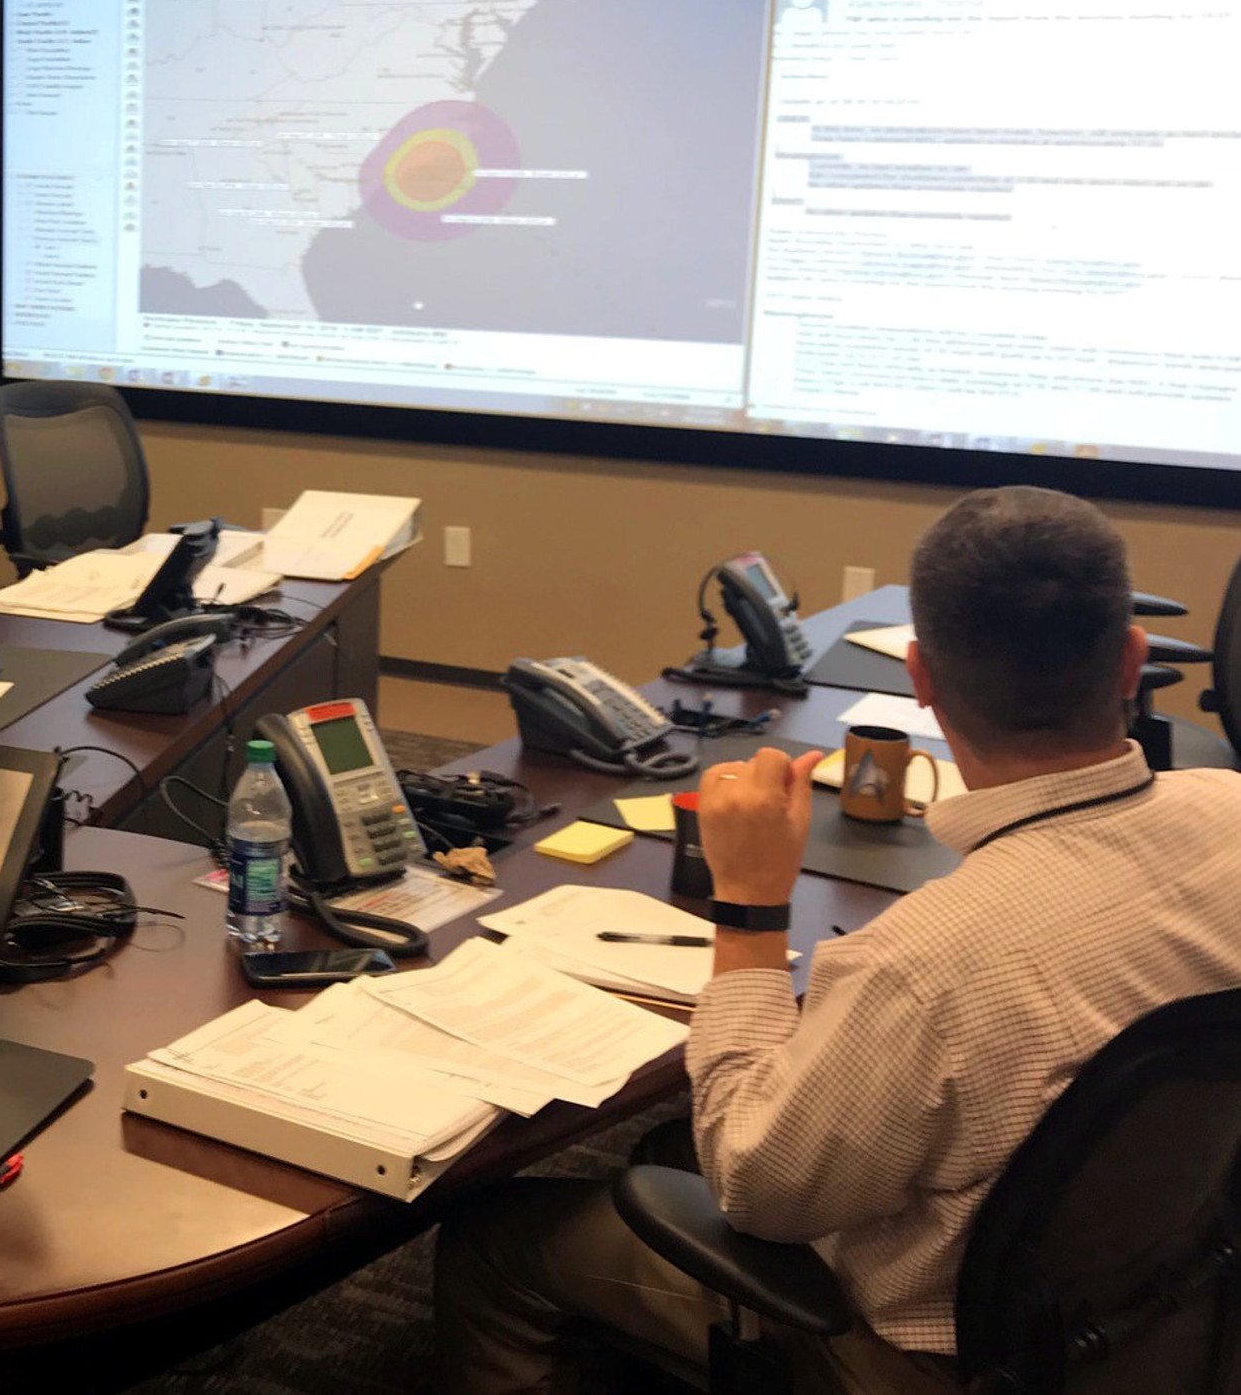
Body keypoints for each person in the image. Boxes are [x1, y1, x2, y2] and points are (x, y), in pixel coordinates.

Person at [435, 486, 1241, 1394]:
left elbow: (758, 1190)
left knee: (494, 1242)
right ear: (1132, 660)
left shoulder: (923, 960)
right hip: (1172, 1295)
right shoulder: (1232, 812)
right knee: (665, 1153)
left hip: (946, 1357)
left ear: (922, 679)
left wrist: (748, 908)